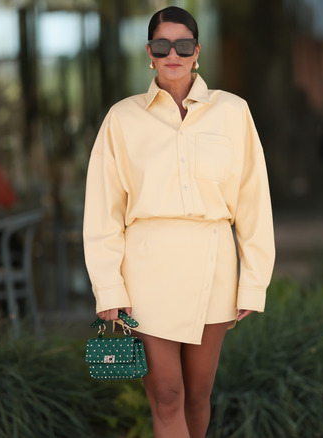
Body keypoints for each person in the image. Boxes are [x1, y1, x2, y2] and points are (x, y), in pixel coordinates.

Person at [83, 6, 275, 437]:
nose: (173, 53)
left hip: (213, 264)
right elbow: (103, 211)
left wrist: (254, 280)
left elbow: (253, 201)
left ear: (197, 51)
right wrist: (108, 286)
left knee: (198, 394)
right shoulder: (122, 118)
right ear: (149, 53)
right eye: (162, 45)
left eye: (183, 44)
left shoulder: (233, 112)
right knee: (167, 393)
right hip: (147, 270)